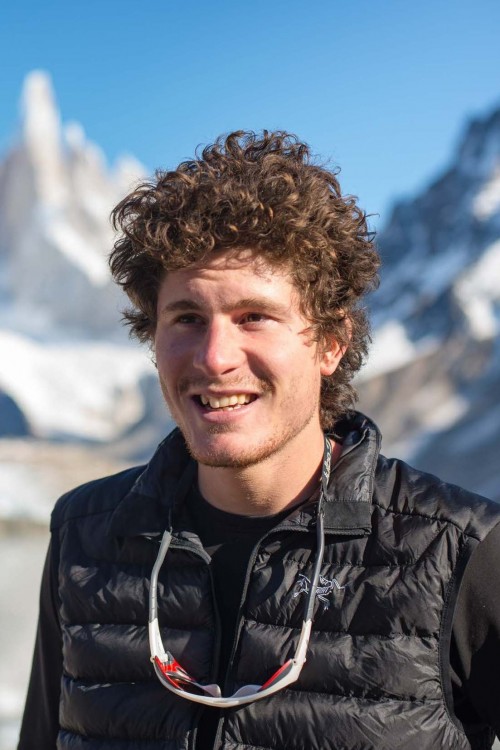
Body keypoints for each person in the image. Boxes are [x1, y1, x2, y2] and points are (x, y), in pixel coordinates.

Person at [18, 131, 500, 750]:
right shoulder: (84, 538)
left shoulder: (461, 552)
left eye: (254, 317)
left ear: (331, 343)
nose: (214, 357)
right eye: (187, 318)